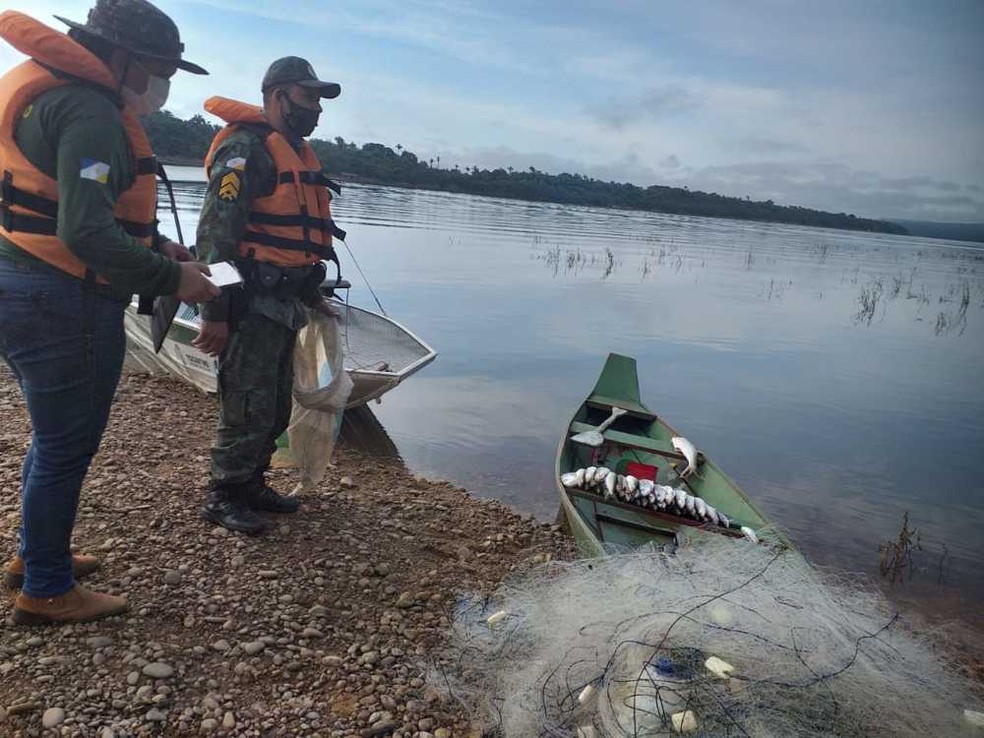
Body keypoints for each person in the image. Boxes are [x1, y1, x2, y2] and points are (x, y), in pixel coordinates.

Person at [0, 0, 220, 625]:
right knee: (68, 443)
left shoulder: (61, 96)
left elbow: (83, 210)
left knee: (52, 437)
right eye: (158, 66)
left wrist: (158, 247)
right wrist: (172, 276)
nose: (163, 82)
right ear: (119, 57)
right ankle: (45, 589)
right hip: (60, 298)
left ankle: (35, 557)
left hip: (20, 280)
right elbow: (86, 233)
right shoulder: (92, 114)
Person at [194, 57, 345, 535]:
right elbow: (215, 237)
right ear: (278, 96)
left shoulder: (298, 152)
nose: (317, 109)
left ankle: (251, 481)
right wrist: (214, 312)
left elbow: (298, 243)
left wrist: (312, 292)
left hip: (285, 302)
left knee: (276, 401)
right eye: (309, 97)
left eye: (319, 100)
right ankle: (223, 493)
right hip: (248, 301)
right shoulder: (245, 150)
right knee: (246, 400)